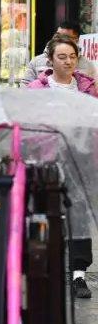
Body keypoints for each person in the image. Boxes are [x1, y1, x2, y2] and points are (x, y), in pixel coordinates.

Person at [27, 34, 98, 298]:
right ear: (50, 60)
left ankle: (78, 274)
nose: (68, 62)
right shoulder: (36, 89)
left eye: (72, 57)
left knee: (79, 214)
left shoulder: (88, 87)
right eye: (62, 57)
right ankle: (44, 268)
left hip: (81, 158)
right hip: (47, 159)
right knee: (45, 212)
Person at [26, 21, 97, 79]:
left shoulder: (87, 65)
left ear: (76, 40)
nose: (59, 39)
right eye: (57, 35)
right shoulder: (36, 62)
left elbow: (92, 89)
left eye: (65, 37)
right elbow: (26, 87)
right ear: (50, 59)